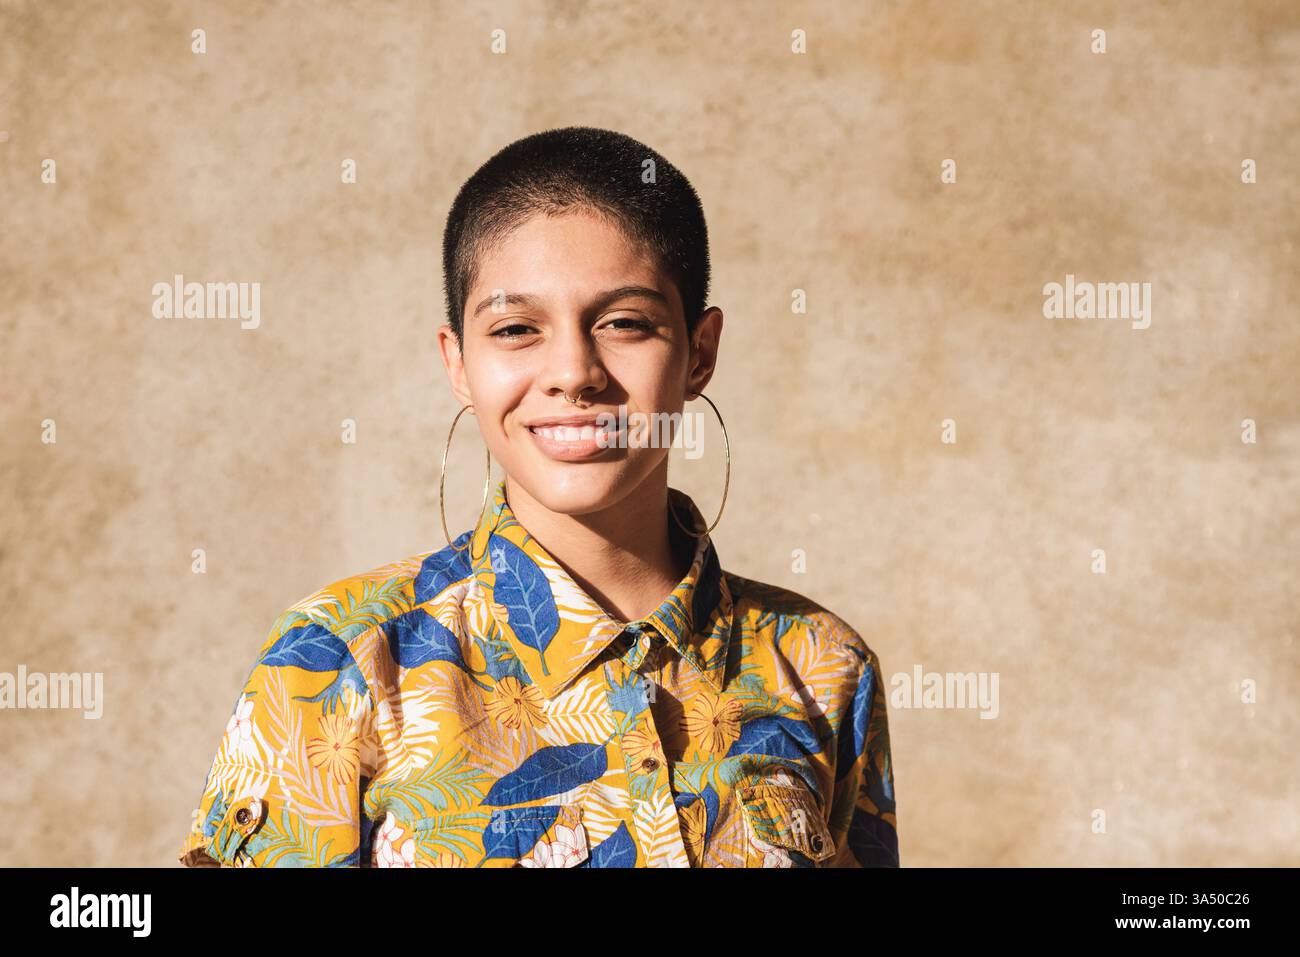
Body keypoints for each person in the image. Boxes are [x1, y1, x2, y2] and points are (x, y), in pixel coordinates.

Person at [177, 126, 898, 868]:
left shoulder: (822, 665)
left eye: (624, 323)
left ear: (699, 352)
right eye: (517, 328)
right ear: (459, 362)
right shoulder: (339, 660)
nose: (573, 372)